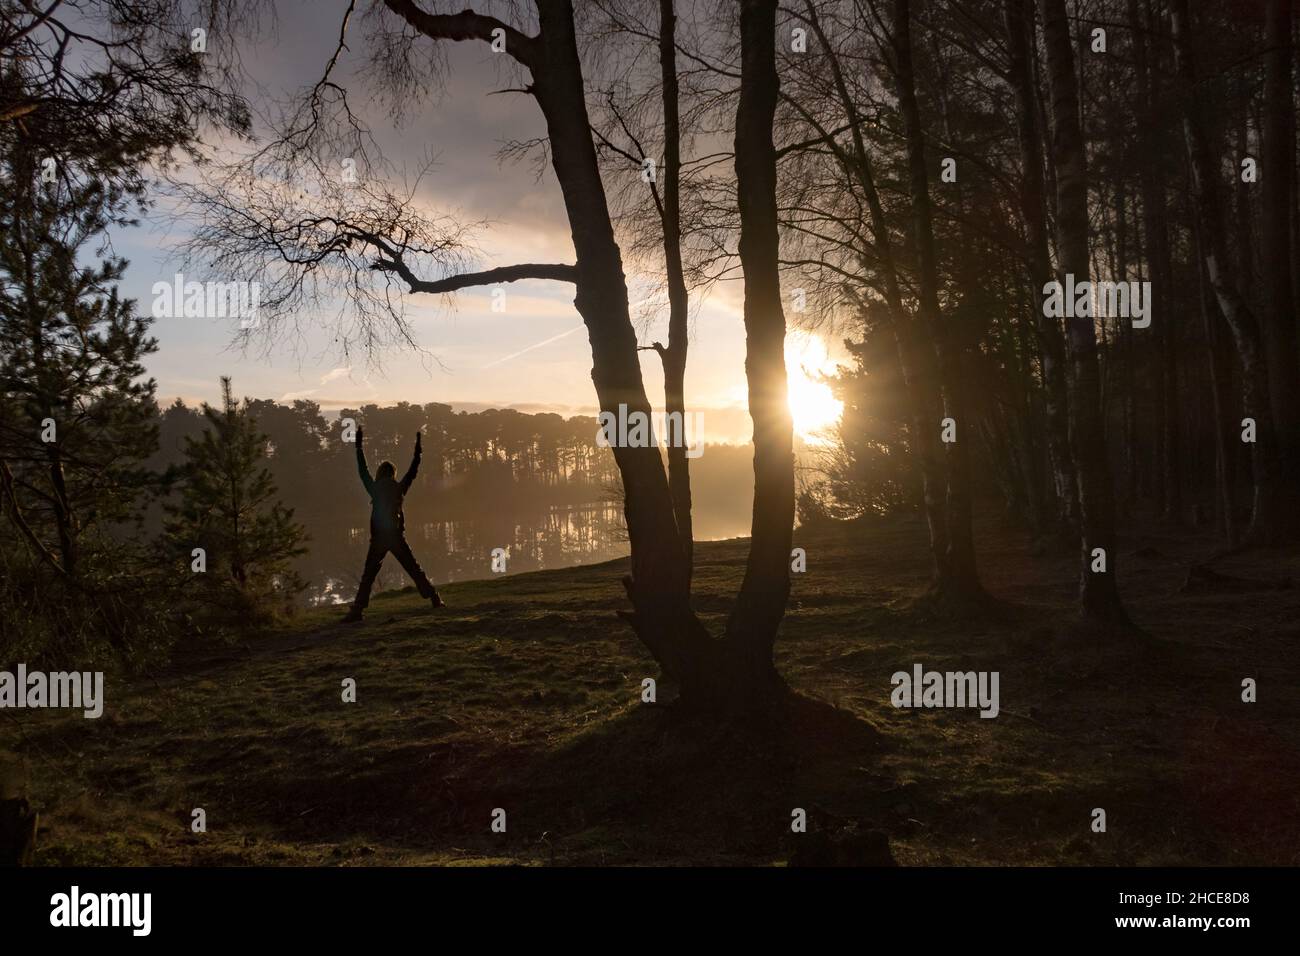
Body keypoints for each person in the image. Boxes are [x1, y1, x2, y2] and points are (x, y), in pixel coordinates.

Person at [343, 426, 445, 622]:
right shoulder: (399, 488)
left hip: (379, 539)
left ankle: (357, 610)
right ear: (393, 474)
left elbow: (362, 471)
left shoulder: (373, 488)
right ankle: (435, 598)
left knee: (368, 575)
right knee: (414, 570)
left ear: (380, 473)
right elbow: (413, 471)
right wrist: (418, 450)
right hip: (396, 537)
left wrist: (358, 447)